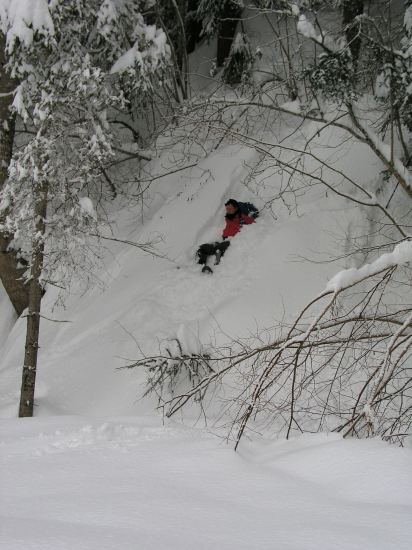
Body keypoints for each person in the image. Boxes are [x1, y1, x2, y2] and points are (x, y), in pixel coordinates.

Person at [196, 199, 255, 273]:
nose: (228, 210)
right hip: (223, 239)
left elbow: (253, 222)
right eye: (227, 208)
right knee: (203, 248)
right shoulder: (228, 217)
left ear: (236, 208)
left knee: (221, 247)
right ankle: (201, 265)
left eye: (230, 208)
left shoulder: (241, 217)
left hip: (231, 240)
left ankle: (216, 264)